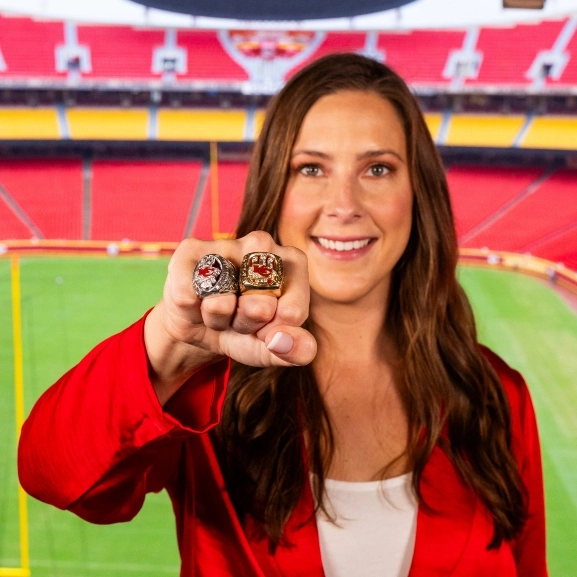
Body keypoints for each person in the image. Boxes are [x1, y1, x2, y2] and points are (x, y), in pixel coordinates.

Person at [18, 54, 547, 577]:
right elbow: (54, 476)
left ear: (418, 194)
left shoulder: (499, 395)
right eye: (311, 168)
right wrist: (170, 339)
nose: (344, 204)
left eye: (378, 168)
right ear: (275, 191)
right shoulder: (206, 384)